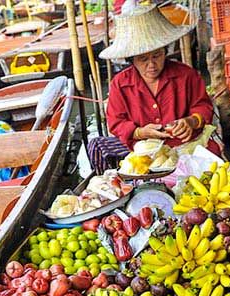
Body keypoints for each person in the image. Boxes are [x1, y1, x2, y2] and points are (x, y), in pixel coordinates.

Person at [89, 4, 220, 174]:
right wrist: (139, 132)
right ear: (132, 60)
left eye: (157, 55)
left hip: (183, 144)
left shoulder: (186, 75)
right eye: (143, 59)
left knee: (213, 153)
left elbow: (203, 107)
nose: (151, 65)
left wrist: (191, 122)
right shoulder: (120, 84)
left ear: (165, 52)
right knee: (97, 146)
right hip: (142, 149)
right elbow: (116, 122)